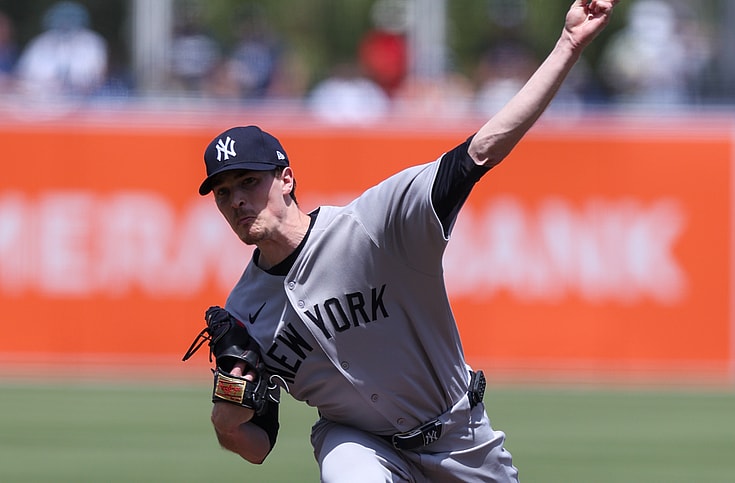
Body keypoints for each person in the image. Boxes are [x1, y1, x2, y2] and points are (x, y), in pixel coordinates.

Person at [191, 1, 618, 481]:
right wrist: (226, 419)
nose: (236, 201)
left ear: (286, 179)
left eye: (249, 182)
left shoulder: (374, 225)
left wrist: (568, 45)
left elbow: (481, 150)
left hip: (459, 438)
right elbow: (255, 445)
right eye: (223, 192)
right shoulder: (245, 310)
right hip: (356, 441)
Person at [15, 1, 107, 97]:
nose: (65, 23)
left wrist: (70, 87)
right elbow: (21, 76)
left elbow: (98, 77)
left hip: (84, 102)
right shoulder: (39, 43)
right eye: (61, 18)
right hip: (40, 101)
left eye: (70, 18)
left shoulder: (92, 42)